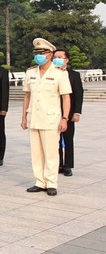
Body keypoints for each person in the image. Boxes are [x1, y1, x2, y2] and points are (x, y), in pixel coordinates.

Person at [22, 38, 71, 196]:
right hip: (34, 118)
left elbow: (66, 98)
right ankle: (39, 181)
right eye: (36, 53)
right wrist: (24, 117)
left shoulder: (59, 74)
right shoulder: (30, 72)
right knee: (36, 153)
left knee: (50, 153)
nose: (38, 55)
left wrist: (65, 118)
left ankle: (51, 182)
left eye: (42, 53)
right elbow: (27, 96)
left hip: (51, 119)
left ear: (50, 55)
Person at [54, 48, 83, 177]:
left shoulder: (74, 75)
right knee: (56, 141)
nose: (57, 59)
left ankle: (68, 165)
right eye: (55, 57)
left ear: (66, 60)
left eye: (60, 57)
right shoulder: (51, 73)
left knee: (68, 140)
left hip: (69, 113)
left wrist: (76, 112)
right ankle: (58, 164)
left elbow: (78, 95)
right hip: (54, 112)